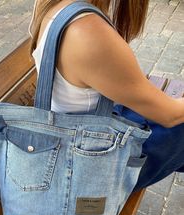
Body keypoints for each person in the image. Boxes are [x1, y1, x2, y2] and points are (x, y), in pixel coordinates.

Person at [28, 0, 184, 191]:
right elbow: (170, 116)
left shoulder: (55, 5)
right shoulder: (88, 31)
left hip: (71, 142)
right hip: (88, 173)